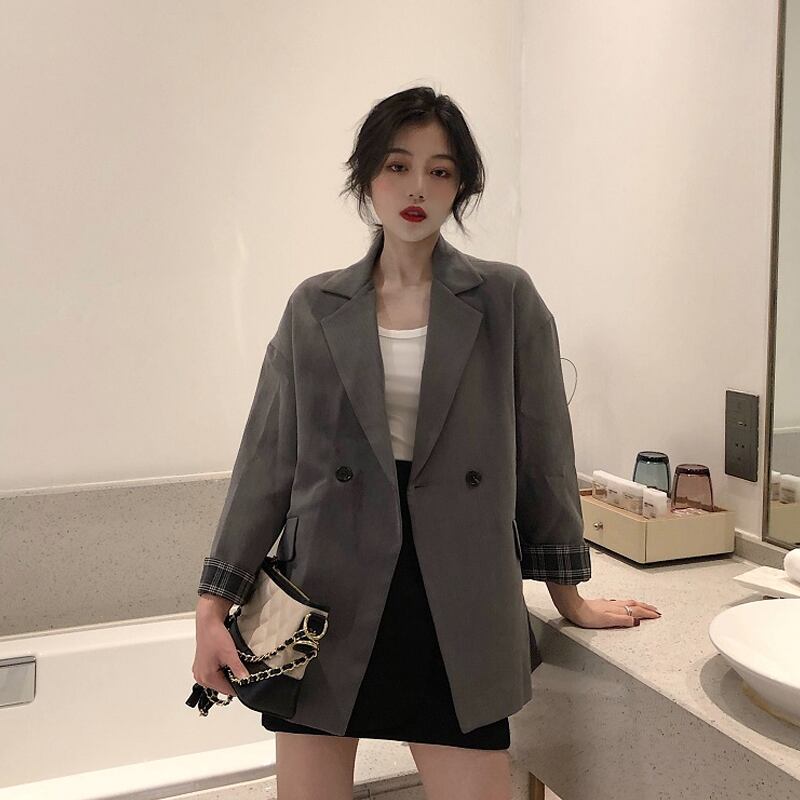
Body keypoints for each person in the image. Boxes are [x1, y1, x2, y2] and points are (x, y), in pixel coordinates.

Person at [192, 86, 661, 800]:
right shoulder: (314, 307)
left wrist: (571, 597)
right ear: (366, 179)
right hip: (329, 592)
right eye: (397, 166)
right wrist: (212, 605)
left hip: (458, 592)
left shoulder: (506, 300)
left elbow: (543, 460)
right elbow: (266, 463)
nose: (418, 188)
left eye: (440, 171)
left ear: (460, 187)